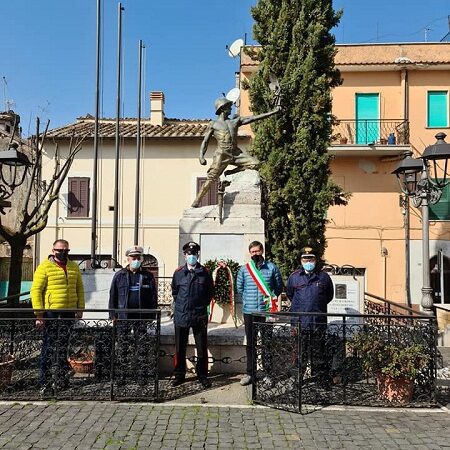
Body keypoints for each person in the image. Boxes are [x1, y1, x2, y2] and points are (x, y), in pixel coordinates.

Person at [191, 97, 280, 207]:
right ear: (223, 109)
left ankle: (230, 173)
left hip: (236, 153)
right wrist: (201, 156)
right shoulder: (213, 124)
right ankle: (196, 201)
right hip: (222, 154)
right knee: (211, 178)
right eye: (229, 107)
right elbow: (205, 141)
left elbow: (253, 118)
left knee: (256, 163)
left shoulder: (235, 121)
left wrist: (273, 112)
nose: (231, 109)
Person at [31, 239, 85, 396]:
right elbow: (36, 291)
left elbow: (79, 289)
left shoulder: (74, 267)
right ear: (53, 250)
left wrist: (80, 309)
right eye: (60, 250)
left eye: (66, 251)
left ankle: (61, 379)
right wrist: (39, 314)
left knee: (63, 347)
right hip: (51, 313)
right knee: (48, 348)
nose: (63, 253)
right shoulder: (45, 267)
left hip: (68, 312)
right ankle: (45, 383)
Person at [108, 245, 158, 385]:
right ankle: (122, 376)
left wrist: (152, 315)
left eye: (138, 258)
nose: (135, 260)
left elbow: (153, 296)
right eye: (133, 258)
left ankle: (141, 375)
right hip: (124, 316)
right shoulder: (120, 275)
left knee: (141, 346)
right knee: (123, 347)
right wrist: (113, 315)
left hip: (141, 317)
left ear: (141, 259)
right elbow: (113, 295)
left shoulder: (147, 276)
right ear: (128, 259)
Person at [285, 246, 334, 387]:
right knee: (300, 352)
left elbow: (329, 296)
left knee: (319, 352)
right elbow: (290, 295)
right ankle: (298, 379)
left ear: (315, 260)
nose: (308, 261)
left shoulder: (324, 277)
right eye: (305, 259)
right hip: (300, 322)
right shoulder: (294, 277)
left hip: (318, 322)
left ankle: (319, 379)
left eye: (311, 259)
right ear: (301, 261)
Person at [236, 241, 283, 386]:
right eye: (253, 252)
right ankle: (250, 373)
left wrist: (270, 301)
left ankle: (268, 373)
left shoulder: (272, 267)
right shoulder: (244, 270)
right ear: (250, 253)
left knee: (267, 343)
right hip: (249, 312)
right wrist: (248, 300)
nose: (255, 254)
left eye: (257, 251)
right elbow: (239, 288)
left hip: (266, 312)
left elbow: (278, 286)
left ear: (262, 251)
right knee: (251, 343)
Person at [171, 241, 214, 388]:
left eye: (194, 253)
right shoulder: (178, 273)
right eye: (189, 254)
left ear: (198, 255)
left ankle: (202, 375)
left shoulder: (205, 272)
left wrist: (200, 305)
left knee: (201, 347)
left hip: (199, 315)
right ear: (185, 255)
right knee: (179, 347)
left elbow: (210, 293)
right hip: (181, 314)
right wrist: (183, 306)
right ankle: (179, 375)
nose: (192, 256)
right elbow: (175, 292)